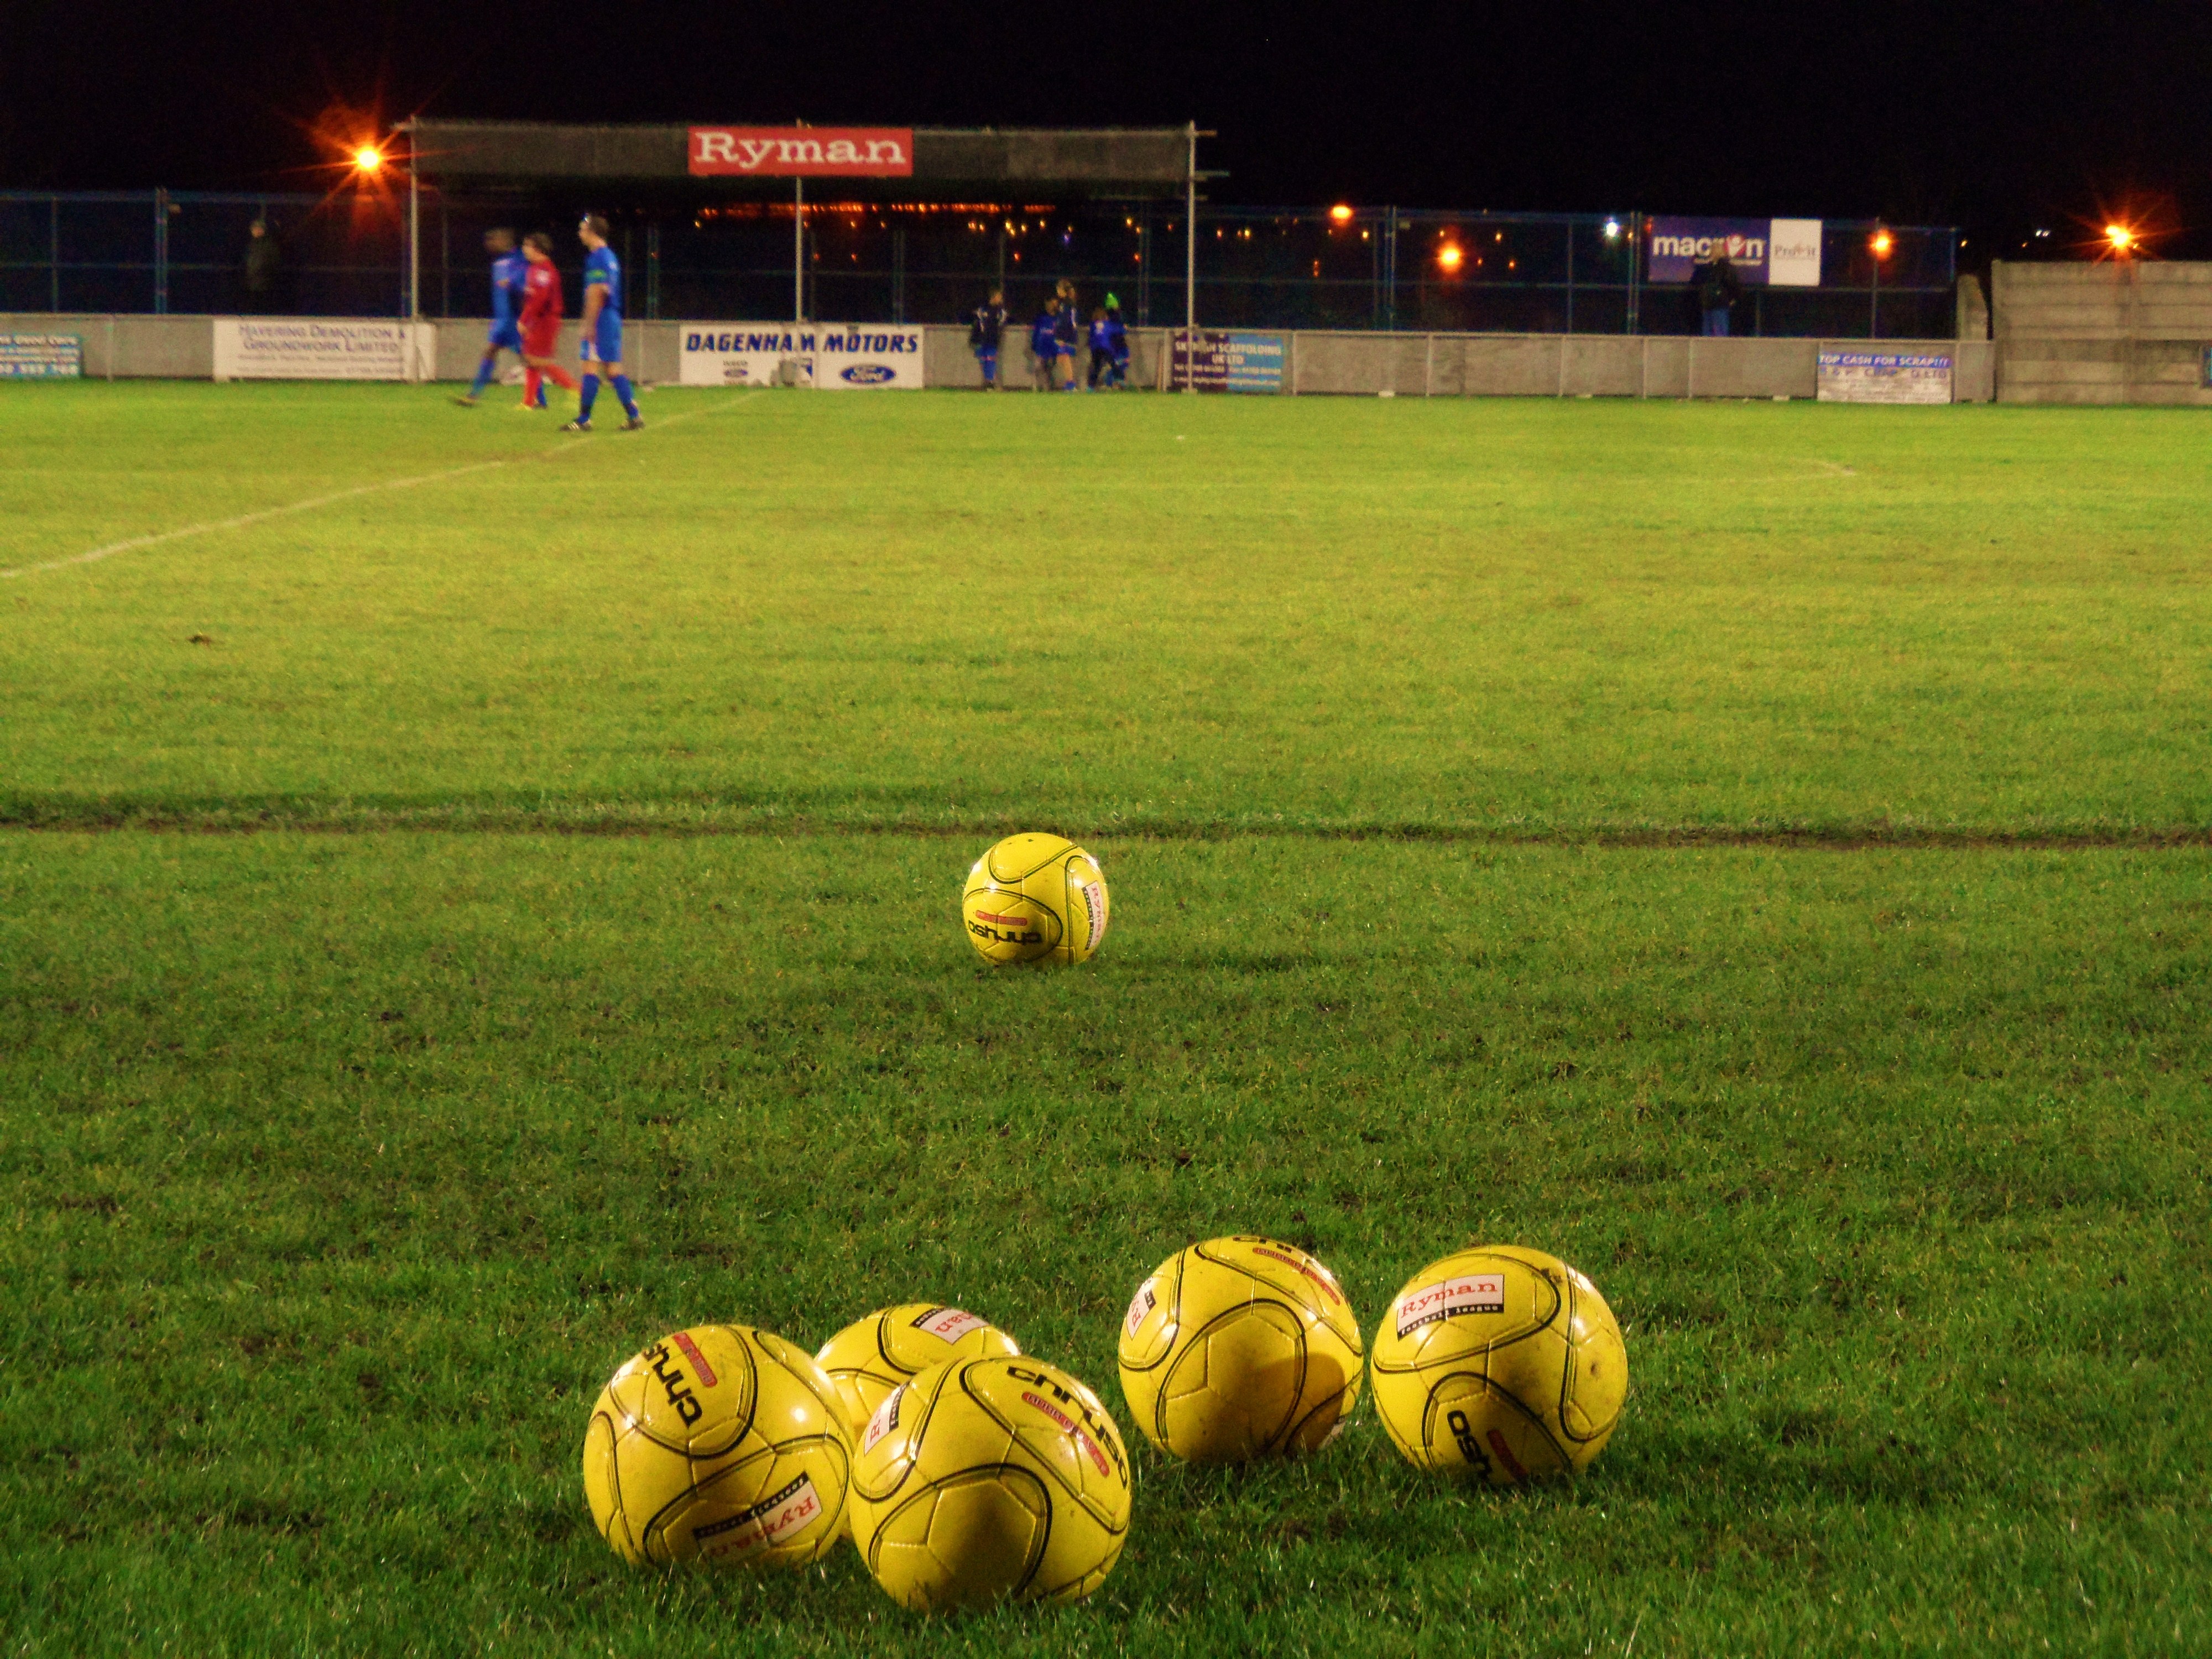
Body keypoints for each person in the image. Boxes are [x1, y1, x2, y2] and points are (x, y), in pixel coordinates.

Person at [565, 215, 643, 432]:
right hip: (611, 317)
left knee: (590, 367)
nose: (580, 233)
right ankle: (634, 416)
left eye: (582, 229)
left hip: (601, 318)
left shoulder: (597, 258)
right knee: (612, 370)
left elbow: (596, 292)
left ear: (592, 232)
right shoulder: (610, 257)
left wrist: (589, 324)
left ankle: (584, 419)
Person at [454, 229, 529, 406]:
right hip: (501, 319)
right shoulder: (499, 262)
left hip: (513, 318)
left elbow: (524, 286)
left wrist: (523, 316)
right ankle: (473, 396)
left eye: (493, 240)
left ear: (505, 240)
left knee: (529, 359)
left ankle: (560, 390)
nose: (489, 244)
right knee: (492, 352)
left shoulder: (519, 259)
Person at [517, 234, 581, 411]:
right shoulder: (536, 268)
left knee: (537, 360)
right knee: (532, 359)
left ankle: (575, 388)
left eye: (527, 245)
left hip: (545, 320)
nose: (524, 249)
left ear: (538, 249)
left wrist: (525, 320)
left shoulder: (543, 270)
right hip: (540, 319)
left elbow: (540, 298)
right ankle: (528, 403)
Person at [1697, 250, 1743, 337]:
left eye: (1714, 251)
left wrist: (1733, 299)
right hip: (1708, 304)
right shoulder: (1709, 267)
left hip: (1720, 304)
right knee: (1707, 334)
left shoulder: (1726, 268)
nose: (1712, 253)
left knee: (1720, 333)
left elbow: (1733, 284)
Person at [968, 289, 1008, 389]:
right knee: (983, 360)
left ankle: (990, 381)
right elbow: (977, 324)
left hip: (993, 340)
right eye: (999, 298)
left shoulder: (1001, 312)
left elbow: (1001, 325)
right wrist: (974, 339)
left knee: (990, 359)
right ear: (993, 298)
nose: (1000, 300)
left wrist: (998, 336)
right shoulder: (982, 310)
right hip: (981, 340)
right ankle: (988, 381)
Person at [241, 218, 283, 313]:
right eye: (254, 229)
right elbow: (246, 262)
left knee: (263, 308)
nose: (256, 231)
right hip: (252, 283)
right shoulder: (251, 245)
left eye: (258, 229)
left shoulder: (269, 245)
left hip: (265, 284)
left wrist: (267, 275)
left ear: (263, 230)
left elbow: (274, 263)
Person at [1030, 296, 1063, 391]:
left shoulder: (1059, 319)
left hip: (1053, 346)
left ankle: (1048, 386)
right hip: (1041, 346)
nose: (1051, 307)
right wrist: (1034, 344)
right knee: (1039, 366)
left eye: (1054, 305)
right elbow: (1036, 331)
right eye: (1050, 305)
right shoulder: (1041, 318)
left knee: (1051, 366)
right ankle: (1037, 385)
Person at [1053, 281, 1081, 389]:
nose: (1057, 292)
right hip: (1064, 335)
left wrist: (1062, 338)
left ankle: (1071, 384)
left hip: (1067, 335)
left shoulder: (1068, 304)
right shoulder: (1063, 303)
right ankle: (1070, 383)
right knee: (1061, 359)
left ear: (1063, 290)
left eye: (1059, 289)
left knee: (1065, 358)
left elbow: (1068, 322)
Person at [1086, 306, 1117, 390]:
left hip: (1096, 349)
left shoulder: (1093, 325)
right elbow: (1114, 330)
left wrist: (1091, 346)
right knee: (1113, 364)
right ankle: (1119, 382)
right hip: (1105, 348)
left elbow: (1091, 337)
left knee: (1096, 368)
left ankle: (1090, 387)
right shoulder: (1107, 324)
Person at [1103, 293, 1130, 388]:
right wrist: (1123, 329)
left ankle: (1115, 381)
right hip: (1118, 344)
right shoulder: (1116, 316)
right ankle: (1111, 381)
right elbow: (1119, 329)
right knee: (1121, 363)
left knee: (1120, 363)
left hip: (1115, 344)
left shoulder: (1109, 316)